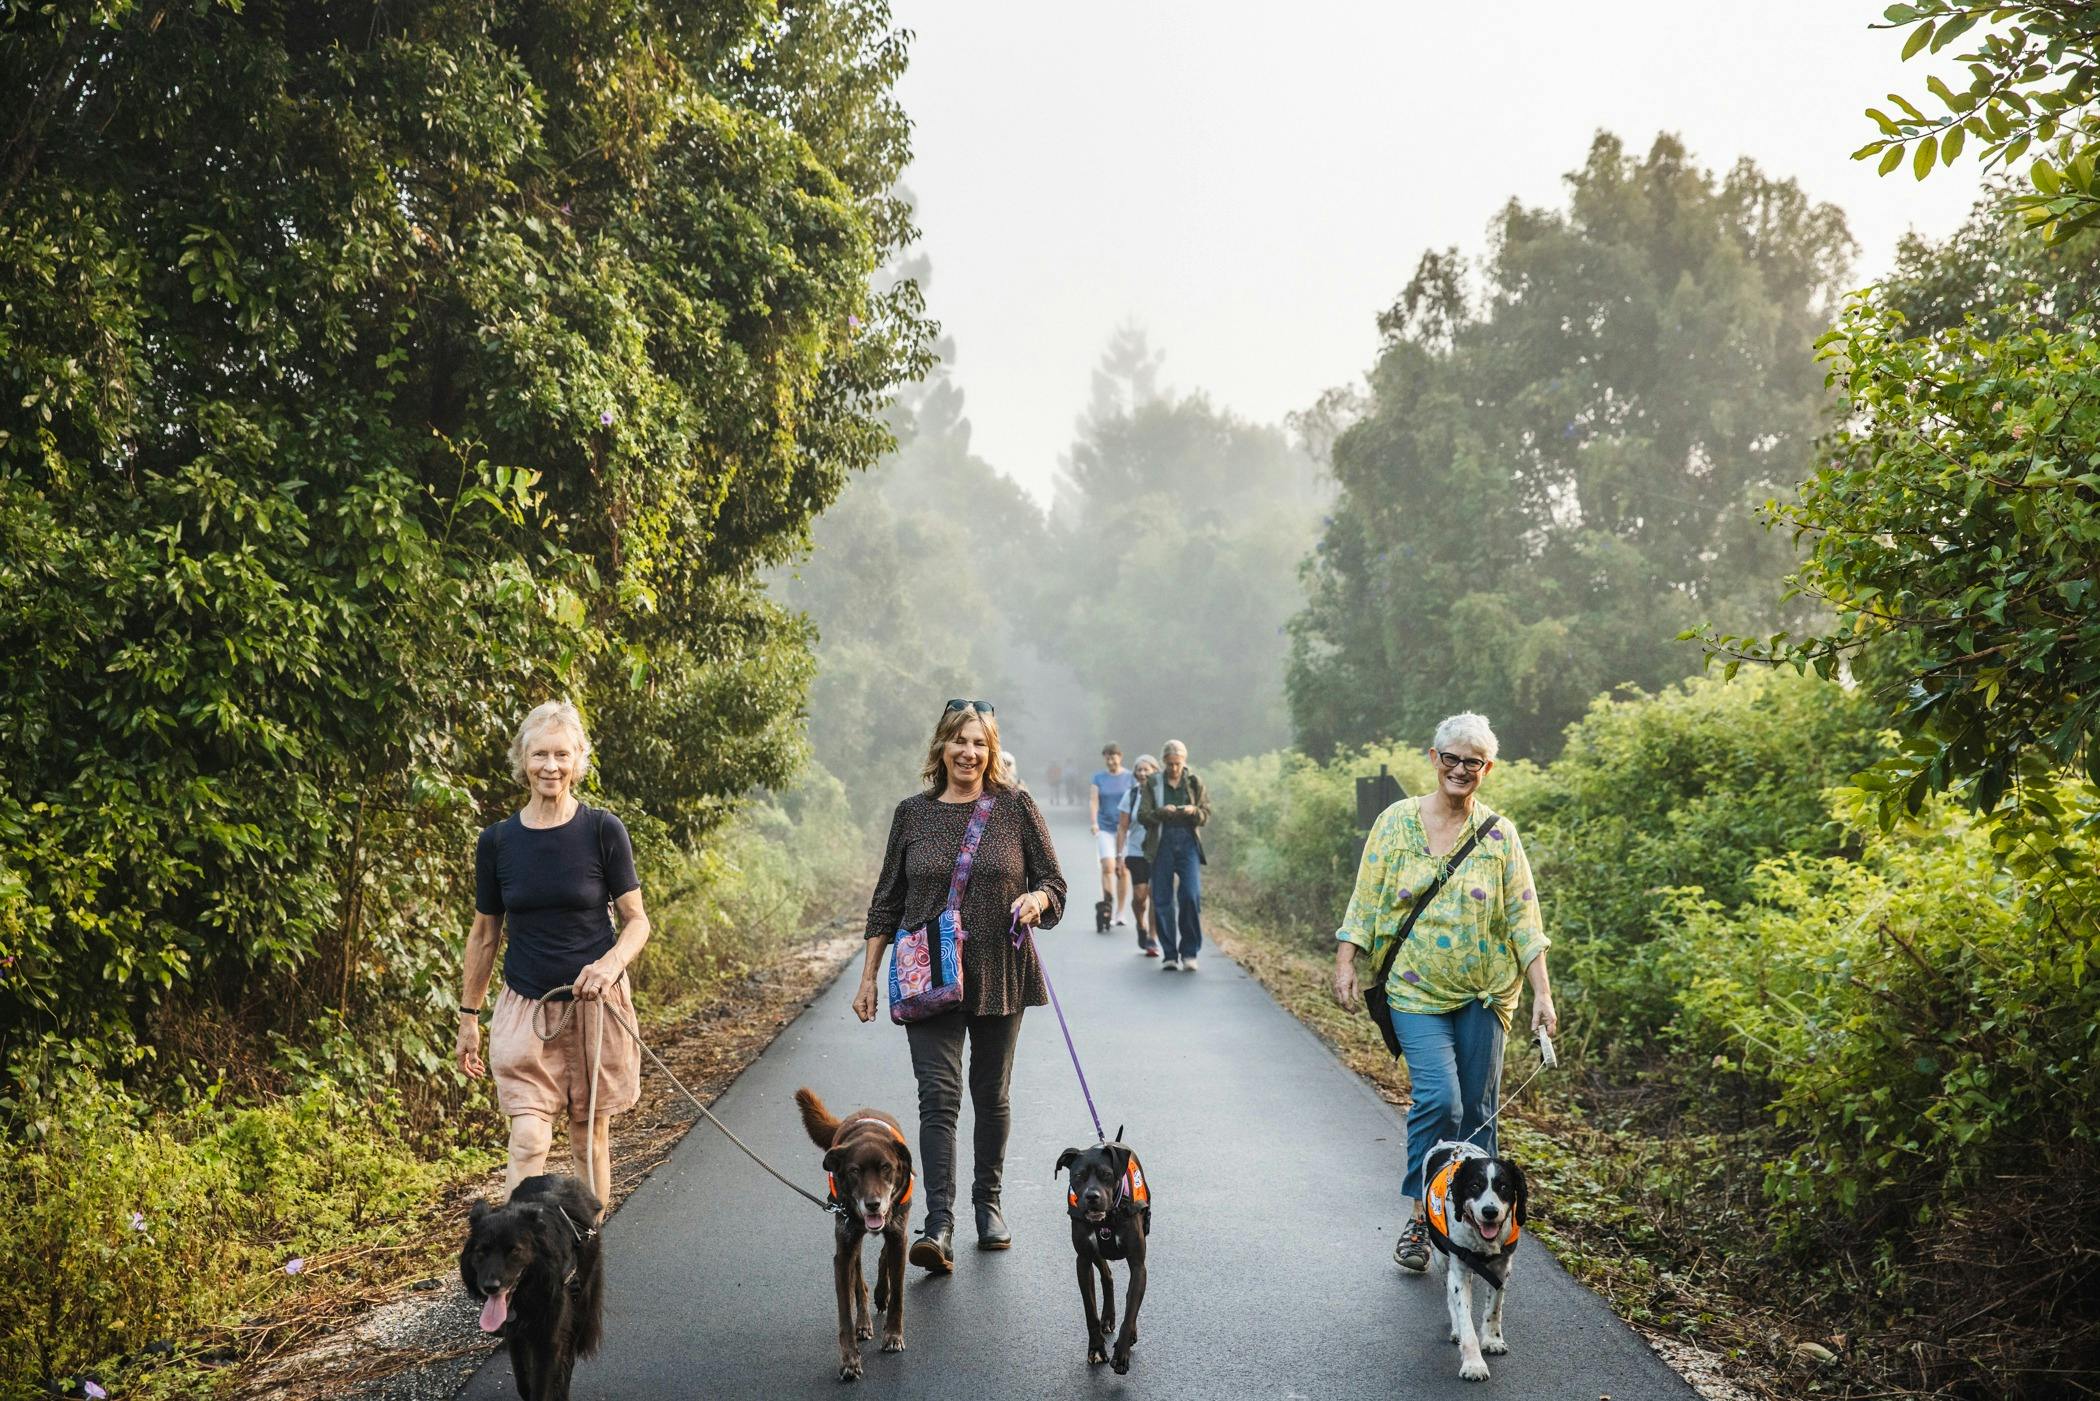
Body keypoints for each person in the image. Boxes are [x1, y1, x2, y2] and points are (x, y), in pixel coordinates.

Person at [1328, 712, 1557, 1274]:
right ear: (1433, 759)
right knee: (1440, 1102)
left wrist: (1542, 996)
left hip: (1486, 995)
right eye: (1450, 758)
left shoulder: (1500, 835)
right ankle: (1420, 1216)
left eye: (1471, 762)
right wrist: (1346, 960)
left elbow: (1525, 918)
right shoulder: (1396, 822)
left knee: (1478, 1113)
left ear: (1487, 768)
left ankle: (1478, 1224)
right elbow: (1366, 898)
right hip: (1414, 991)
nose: (1460, 769)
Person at [853, 700, 1067, 1271]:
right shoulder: (912, 814)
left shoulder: (1015, 807)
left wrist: (1037, 898)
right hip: (927, 974)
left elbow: (1055, 883)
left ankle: (988, 1204)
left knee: (990, 1096)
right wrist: (869, 976)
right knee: (938, 1099)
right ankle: (938, 1224)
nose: (969, 753)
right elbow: (886, 900)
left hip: (998, 970)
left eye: (980, 743)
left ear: (991, 751)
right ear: (941, 748)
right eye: (959, 742)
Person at [457, 700, 651, 1212]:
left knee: (590, 1141)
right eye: (540, 754)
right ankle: (523, 1265)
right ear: (522, 760)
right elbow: (484, 935)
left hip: (597, 1009)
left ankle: (586, 1258)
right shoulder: (497, 842)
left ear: (579, 760)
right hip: (525, 1007)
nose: (550, 766)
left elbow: (637, 921)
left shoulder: (602, 831)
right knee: (528, 1141)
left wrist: (609, 967)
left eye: (562, 755)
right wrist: (469, 1016)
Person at [1138, 740, 1210, 971]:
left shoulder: (1194, 782)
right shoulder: (1153, 783)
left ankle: (1190, 952)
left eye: (1178, 764)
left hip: (1188, 841)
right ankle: (1169, 953)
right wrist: (1161, 812)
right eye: (1170, 764)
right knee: (1162, 899)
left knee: (1190, 895)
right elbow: (1143, 815)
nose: (1174, 768)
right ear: (1164, 762)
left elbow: (1206, 813)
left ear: (1184, 761)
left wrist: (1194, 811)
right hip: (1161, 842)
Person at [1115, 753, 1162, 956]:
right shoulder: (1131, 795)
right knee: (1140, 897)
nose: (1142, 773)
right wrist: (1119, 855)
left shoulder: (1161, 795)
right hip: (1135, 852)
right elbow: (1122, 828)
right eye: (1139, 770)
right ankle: (1141, 925)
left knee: (1155, 895)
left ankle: (1152, 938)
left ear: (1155, 772)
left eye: (1146, 769)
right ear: (1135, 773)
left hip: (1159, 852)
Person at [1090, 744, 1137, 929]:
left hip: (1125, 830)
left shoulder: (1130, 777)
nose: (1111, 760)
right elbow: (1094, 801)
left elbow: (1136, 800)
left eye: (1114, 757)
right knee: (1108, 867)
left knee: (1123, 870)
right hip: (1105, 828)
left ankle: (1120, 912)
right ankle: (1108, 906)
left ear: (1120, 756)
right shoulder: (1098, 777)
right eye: (1108, 757)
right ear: (1105, 759)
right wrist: (1094, 823)